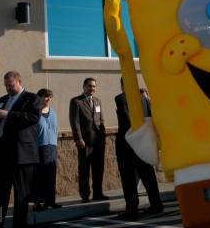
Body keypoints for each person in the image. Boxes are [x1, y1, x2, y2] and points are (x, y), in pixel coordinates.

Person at [0, 71, 42, 227]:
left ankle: (19, 224)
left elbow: (33, 118)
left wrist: (9, 115)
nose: (8, 89)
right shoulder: (2, 100)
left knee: (21, 194)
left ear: (19, 81)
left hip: (21, 155)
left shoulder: (32, 98)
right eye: (6, 86)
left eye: (11, 85)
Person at [115, 80, 163, 218]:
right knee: (148, 175)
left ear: (123, 85)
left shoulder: (121, 98)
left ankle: (132, 209)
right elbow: (150, 116)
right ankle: (156, 204)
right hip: (144, 142)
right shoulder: (144, 98)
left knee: (128, 178)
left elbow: (125, 119)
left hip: (128, 145)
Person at [69, 77, 108, 202]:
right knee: (84, 169)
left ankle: (98, 193)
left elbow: (101, 120)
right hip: (85, 142)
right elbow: (75, 122)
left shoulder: (97, 101)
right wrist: (78, 138)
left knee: (98, 168)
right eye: (89, 86)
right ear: (84, 87)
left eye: (94, 86)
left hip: (98, 142)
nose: (92, 88)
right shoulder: (76, 101)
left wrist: (103, 136)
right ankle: (85, 195)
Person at [33, 88, 61, 210]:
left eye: (50, 96)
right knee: (39, 176)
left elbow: (55, 130)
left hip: (52, 147)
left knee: (51, 175)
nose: (48, 99)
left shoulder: (53, 112)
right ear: (39, 98)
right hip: (39, 147)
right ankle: (38, 202)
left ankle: (50, 201)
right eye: (45, 96)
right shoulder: (34, 112)